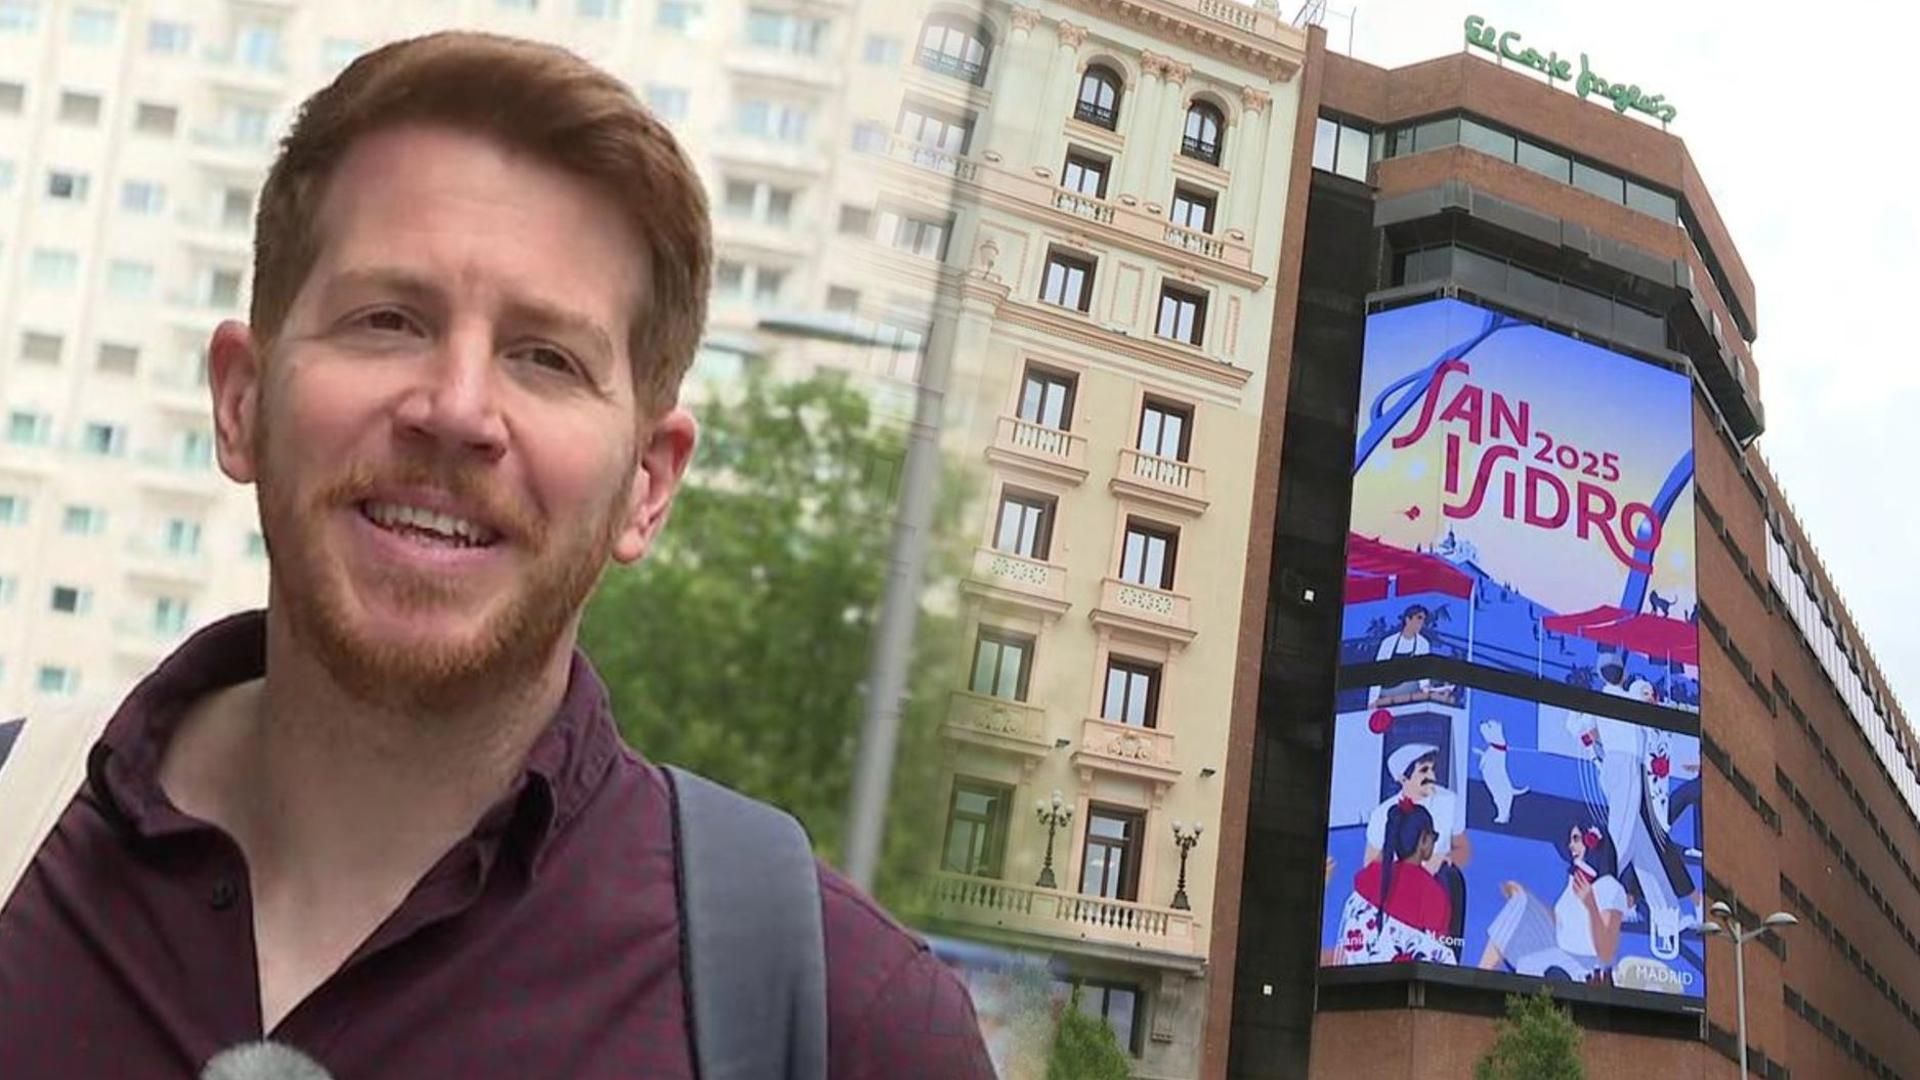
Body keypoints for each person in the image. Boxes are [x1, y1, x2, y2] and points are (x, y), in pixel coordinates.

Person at [0, 32, 993, 1078]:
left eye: (546, 358)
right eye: (387, 319)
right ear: (241, 401)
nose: (458, 411)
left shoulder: (853, 1027)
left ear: (647, 484)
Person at [1476, 824, 1631, 984]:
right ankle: (1479, 975)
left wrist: (1590, 904)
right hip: (1561, 951)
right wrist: (1526, 899)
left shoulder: (1610, 886)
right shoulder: (1576, 882)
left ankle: (1479, 979)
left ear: (1592, 843)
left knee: (1528, 964)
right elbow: (1560, 925)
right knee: (1521, 902)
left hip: (1588, 968)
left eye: (1576, 839)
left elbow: (1606, 952)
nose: (1571, 845)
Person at [1365, 744, 1468, 941]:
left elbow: (1464, 850)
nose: (1433, 776)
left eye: (1432, 768)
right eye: (1424, 770)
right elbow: (1370, 867)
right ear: (1403, 777)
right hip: (1400, 893)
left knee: (1451, 877)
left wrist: (1446, 858)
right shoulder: (1381, 814)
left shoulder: (1449, 801)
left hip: (1440, 887)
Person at [1333, 801, 1458, 965]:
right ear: (1423, 840)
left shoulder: (1368, 879)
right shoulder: (1434, 895)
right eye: (1434, 837)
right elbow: (1440, 961)